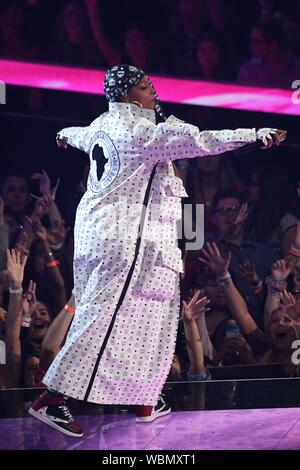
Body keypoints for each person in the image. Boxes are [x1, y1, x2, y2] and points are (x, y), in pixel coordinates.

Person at [29, 64, 286, 437]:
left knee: (152, 315)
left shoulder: (101, 124)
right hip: (125, 240)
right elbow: (204, 142)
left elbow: (78, 135)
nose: (154, 92)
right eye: (147, 87)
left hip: (125, 240)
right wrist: (256, 134)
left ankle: (144, 396)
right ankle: (51, 398)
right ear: (130, 94)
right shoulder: (143, 132)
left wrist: (62, 134)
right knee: (105, 318)